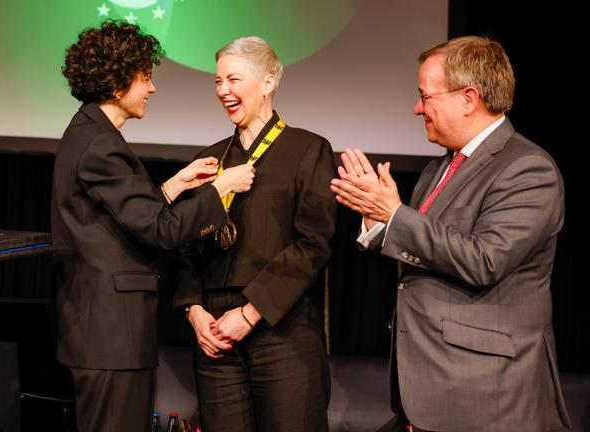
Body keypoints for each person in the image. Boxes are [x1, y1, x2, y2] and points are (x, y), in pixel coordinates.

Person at [330, 36, 570, 431]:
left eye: (425, 97)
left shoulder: (527, 169)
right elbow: (420, 254)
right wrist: (377, 223)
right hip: (432, 380)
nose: (416, 108)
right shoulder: (437, 169)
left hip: (484, 392)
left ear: (468, 98)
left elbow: (484, 260)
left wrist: (394, 214)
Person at [51, 20, 255, 432]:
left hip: (107, 335)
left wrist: (176, 184)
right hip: (110, 338)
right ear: (116, 84)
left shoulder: (93, 135)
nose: (152, 88)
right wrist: (222, 189)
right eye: (145, 77)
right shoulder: (100, 145)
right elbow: (160, 230)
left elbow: (123, 217)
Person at [173, 36, 337, 432]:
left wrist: (250, 312)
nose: (223, 91)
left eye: (233, 79)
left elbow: (313, 244)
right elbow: (184, 247)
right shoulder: (208, 160)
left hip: (282, 330)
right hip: (216, 336)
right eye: (217, 81)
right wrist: (194, 312)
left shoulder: (308, 150)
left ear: (267, 82)